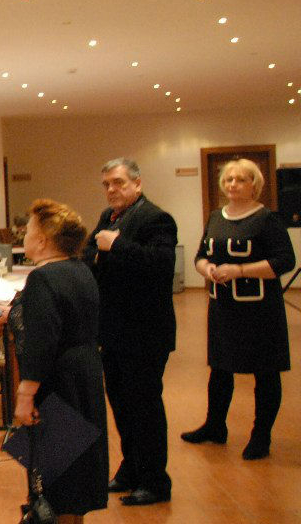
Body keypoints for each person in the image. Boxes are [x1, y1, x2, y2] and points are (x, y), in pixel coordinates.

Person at [7, 199, 108, 524]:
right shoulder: (79, 269)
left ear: (45, 239)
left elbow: (42, 342)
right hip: (83, 373)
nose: (25, 235)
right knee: (75, 464)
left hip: (57, 379)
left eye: (30, 229)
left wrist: (25, 395)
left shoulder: (43, 279)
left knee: (58, 468)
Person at [184, 159, 295, 459]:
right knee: (220, 369)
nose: (233, 184)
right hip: (223, 308)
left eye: (241, 179)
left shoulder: (267, 219)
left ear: (254, 185)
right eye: (229, 179)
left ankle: (261, 436)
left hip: (261, 311)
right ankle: (215, 426)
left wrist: (240, 270)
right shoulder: (215, 217)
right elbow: (200, 255)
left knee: (265, 373)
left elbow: (285, 260)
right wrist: (207, 269)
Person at [82, 158, 177, 506]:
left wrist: (116, 246)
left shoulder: (156, 218)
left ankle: (155, 480)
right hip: (113, 330)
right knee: (121, 404)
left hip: (145, 331)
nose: (112, 189)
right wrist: (99, 252)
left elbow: (161, 265)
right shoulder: (108, 217)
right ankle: (131, 469)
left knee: (144, 407)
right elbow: (89, 253)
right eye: (107, 184)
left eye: (119, 182)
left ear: (137, 184)